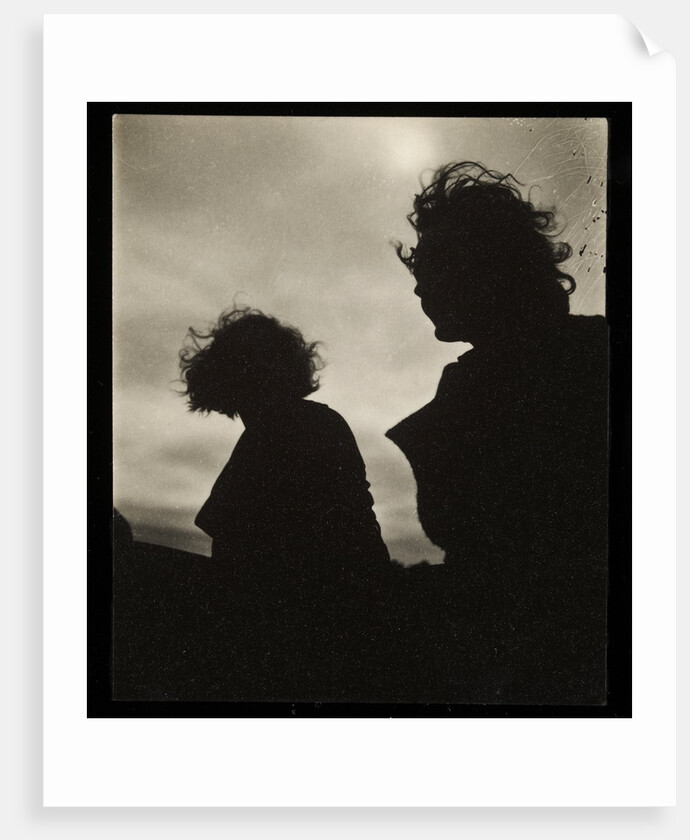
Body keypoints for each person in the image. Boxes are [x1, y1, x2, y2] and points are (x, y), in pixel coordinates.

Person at [386, 162, 609, 704]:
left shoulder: (519, 376)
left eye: (434, 270)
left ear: (485, 269)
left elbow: (499, 554)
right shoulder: (594, 348)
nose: (420, 290)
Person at [179, 307, 391, 700]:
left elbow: (231, 539)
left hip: (298, 626)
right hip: (343, 617)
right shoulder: (312, 423)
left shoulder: (280, 430)